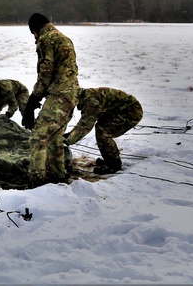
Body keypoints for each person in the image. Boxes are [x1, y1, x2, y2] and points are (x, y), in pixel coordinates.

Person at [22, 13, 79, 186]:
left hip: (59, 97)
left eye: (33, 34)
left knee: (38, 137)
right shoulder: (64, 38)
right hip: (71, 94)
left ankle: (37, 183)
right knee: (54, 139)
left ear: (35, 29)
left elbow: (46, 73)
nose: (34, 37)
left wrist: (33, 99)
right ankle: (58, 178)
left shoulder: (46, 39)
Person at [65, 87, 143, 175]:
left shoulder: (91, 102)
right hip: (118, 111)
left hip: (131, 112)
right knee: (100, 128)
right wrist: (69, 135)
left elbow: (85, 126)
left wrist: (67, 141)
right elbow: (83, 123)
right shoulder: (86, 97)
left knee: (103, 132)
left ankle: (114, 165)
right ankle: (109, 160)